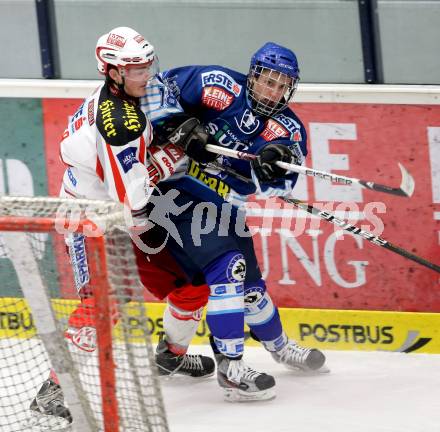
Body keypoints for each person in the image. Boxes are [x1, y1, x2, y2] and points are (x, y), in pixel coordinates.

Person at [29, 26, 217, 424]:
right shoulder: (120, 122)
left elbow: (129, 175)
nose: (144, 75)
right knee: (102, 306)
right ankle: (52, 391)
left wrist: (170, 141)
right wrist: (174, 151)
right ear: (111, 71)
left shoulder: (118, 102)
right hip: (92, 222)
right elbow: (132, 199)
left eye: (147, 66)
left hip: (120, 212)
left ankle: (172, 356)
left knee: (192, 287)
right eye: (135, 70)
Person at [145, 42, 328, 402]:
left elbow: (283, 183)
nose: (274, 91)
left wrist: (272, 163)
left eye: (282, 85)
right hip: (175, 192)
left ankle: (279, 347)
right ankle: (231, 368)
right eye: (268, 82)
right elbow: (157, 91)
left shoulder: (287, 127)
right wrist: (180, 124)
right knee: (228, 270)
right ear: (254, 75)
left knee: (252, 290)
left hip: (225, 205)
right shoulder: (217, 85)